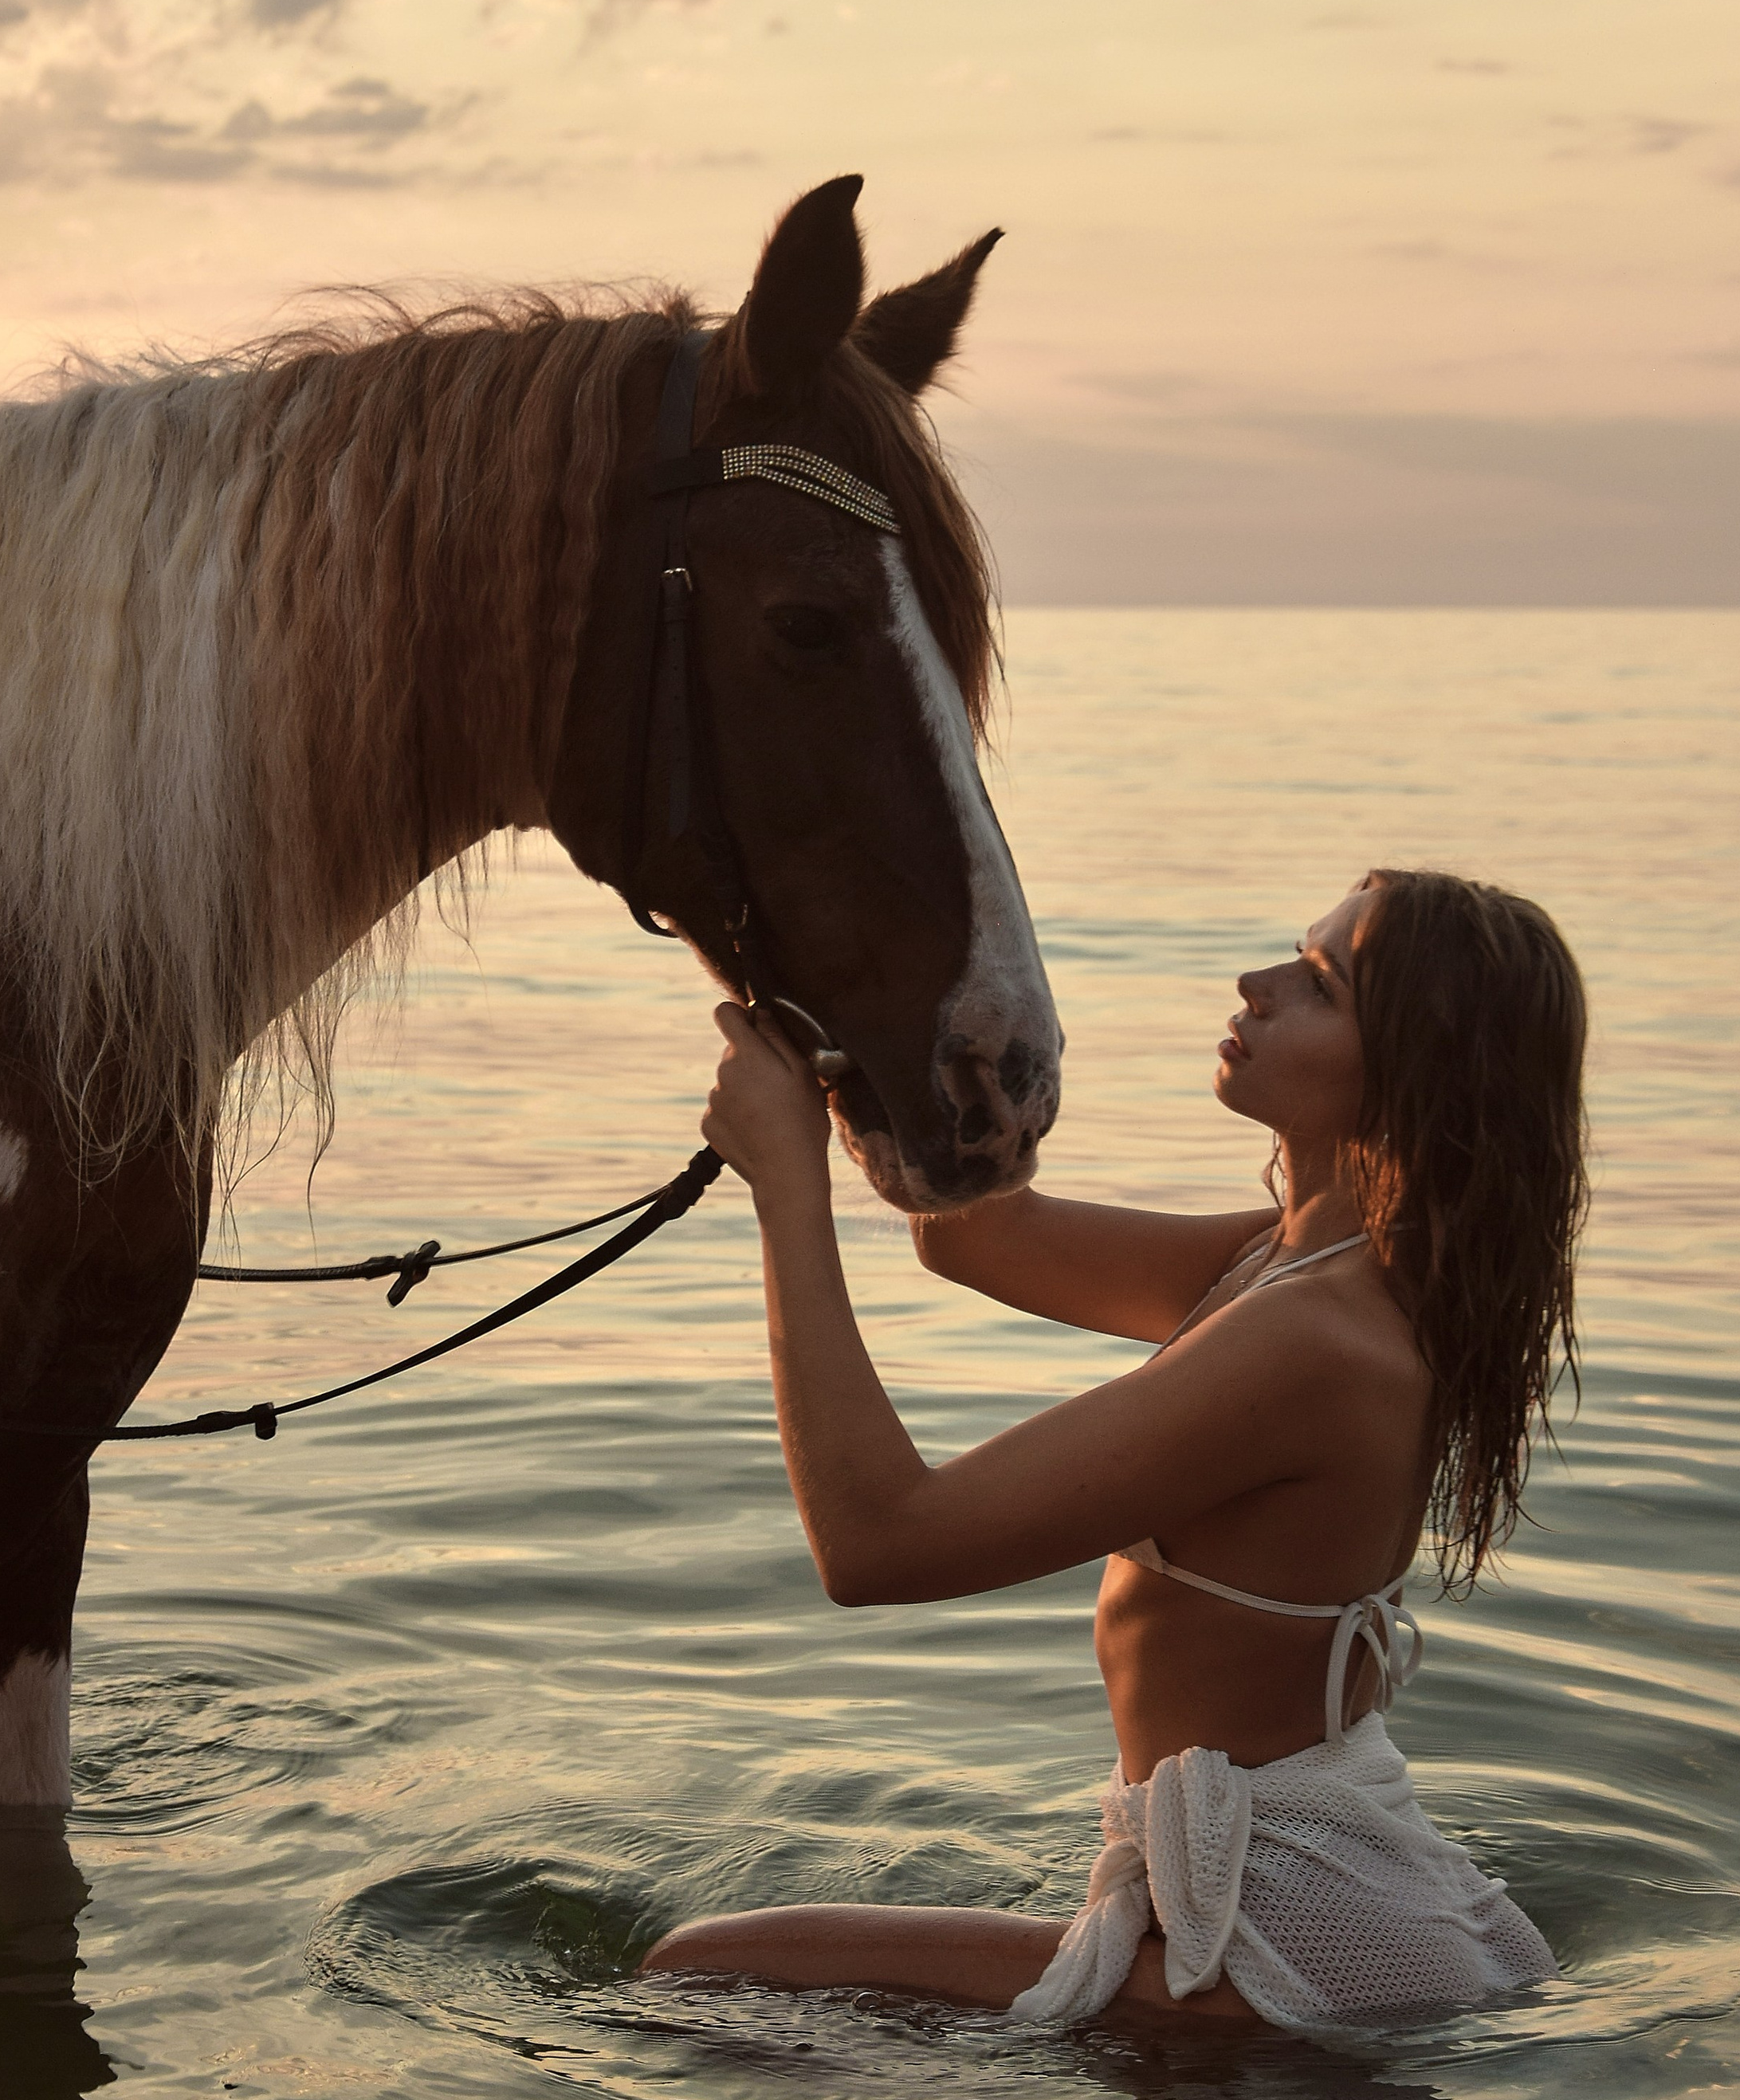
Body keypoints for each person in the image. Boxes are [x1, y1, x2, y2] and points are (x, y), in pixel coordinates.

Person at [641, 869, 1585, 2031]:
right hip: (1305, 1886)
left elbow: (877, 1541)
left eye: (1324, 984)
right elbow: (982, 1239)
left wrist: (787, 1184)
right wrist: (866, 1034)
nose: (1261, 982)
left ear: (1410, 1071)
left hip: (1290, 1931)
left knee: (696, 1969)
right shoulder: (1300, 1259)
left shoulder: (1317, 1336)